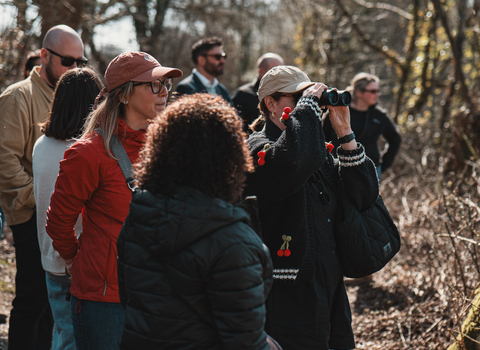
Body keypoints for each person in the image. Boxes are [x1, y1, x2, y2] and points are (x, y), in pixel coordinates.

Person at [45, 51, 182, 349]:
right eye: (154, 86)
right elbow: (58, 221)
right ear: (124, 95)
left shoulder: (166, 148)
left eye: (166, 86)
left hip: (156, 293)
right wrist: (74, 258)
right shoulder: (88, 153)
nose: (164, 94)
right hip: (104, 302)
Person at [116, 93, 272, 349]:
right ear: (229, 156)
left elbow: (129, 298)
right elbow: (246, 342)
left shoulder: (140, 218)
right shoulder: (232, 241)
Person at [244, 66, 379, 350]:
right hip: (288, 290)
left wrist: (345, 133)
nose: (309, 105)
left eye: (309, 97)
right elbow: (292, 162)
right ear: (270, 103)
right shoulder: (257, 148)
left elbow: (364, 196)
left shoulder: (315, 146)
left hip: (331, 282)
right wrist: (306, 109)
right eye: (297, 97)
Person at [0, 24, 86, 350]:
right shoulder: (17, 96)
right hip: (30, 214)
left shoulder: (65, 95)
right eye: (68, 60)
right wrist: (38, 199)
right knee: (31, 301)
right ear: (45, 55)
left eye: (81, 61)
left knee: (52, 305)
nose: (74, 68)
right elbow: (4, 162)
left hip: (59, 215)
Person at [33, 67, 103, 350]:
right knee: (76, 339)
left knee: (62, 334)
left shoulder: (41, 145)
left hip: (49, 256)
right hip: (77, 260)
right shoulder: (84, 151)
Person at [323, 72, 401, 180]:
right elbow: (323, 137)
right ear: (359, 92)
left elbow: (395, 139)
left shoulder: (380, 116)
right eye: (373, 91)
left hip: (369, 171)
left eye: (378, 91)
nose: (377, 94)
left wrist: (382, 165)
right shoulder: (338, 111)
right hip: (338, 168)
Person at [232, 53, 284, 132]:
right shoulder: (242, 95)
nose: (281, 76)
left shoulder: (284, 95)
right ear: (262, 72)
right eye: (276, 72)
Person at [175, 37, 232, 104]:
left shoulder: (222, 90)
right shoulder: (185, 88)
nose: (223, 61)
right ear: (201, 60)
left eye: (224, 56)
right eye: (218, 57)